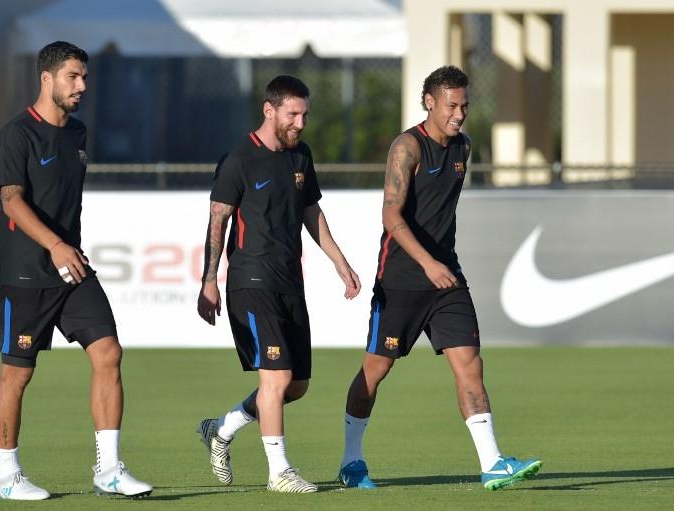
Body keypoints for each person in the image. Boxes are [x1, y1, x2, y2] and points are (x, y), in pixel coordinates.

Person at [336, 65, 542, 491]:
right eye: (452, 105)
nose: (460, 113)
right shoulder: (407, 147)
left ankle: (493, 463)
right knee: (375, 370)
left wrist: (439, 263)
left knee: (469, 364)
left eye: (465, 105)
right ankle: (351, 461)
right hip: (401, 281)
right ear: (429, 101)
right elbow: (391, 214)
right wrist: (426, 263)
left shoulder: (464, 146)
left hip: (447, 279)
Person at [0, 41, 152, 500]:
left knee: (108, 354)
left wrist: (67, 251)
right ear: (47, 78)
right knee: (17, 374)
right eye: (73, 77)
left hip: (72, 268)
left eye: (85, 77)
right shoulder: (16, 133)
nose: (82, 86)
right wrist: (56, 246)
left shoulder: (78, 133)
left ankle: (109, 471)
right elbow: (12, 200)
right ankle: (8, 476)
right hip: (24, 274)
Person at [196, 75, 361, 493]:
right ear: (269, 111)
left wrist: (340, 262)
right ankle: (279, 472)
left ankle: (223, 428)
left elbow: (311, 213)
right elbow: (218, 220)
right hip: (251, 281)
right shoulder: (238, 159)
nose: (301, 122)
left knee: (297, 386)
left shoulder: (300, 156)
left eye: (305, 113)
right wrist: (209, 280)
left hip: (290, 282)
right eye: (293, 113)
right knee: (277, 375)